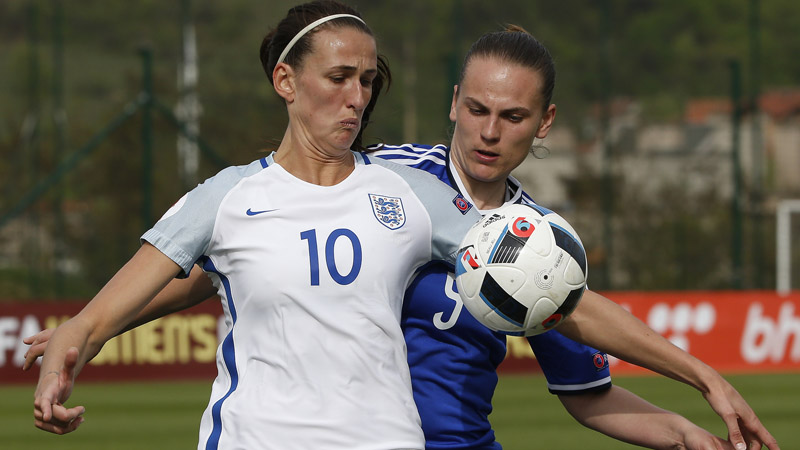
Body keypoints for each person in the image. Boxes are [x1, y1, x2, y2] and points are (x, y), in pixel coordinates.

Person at [28, 15, 779, 450]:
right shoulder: (371, 178)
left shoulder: (521, 240)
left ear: (544, 124)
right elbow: (224, 264)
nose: (489, 132)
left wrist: (695, 402)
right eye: (476, 109)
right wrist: (88, 330)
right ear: (453, 103)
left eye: (512, 116)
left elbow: (580, 352)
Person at [32, 2, 484, 449]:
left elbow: (515, 264)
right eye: (338, 77)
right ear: (286, 80)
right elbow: (87, 324)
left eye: (365, 80)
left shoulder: (414, 195)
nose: (358, 97)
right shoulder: (225, 198)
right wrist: (55, 374)